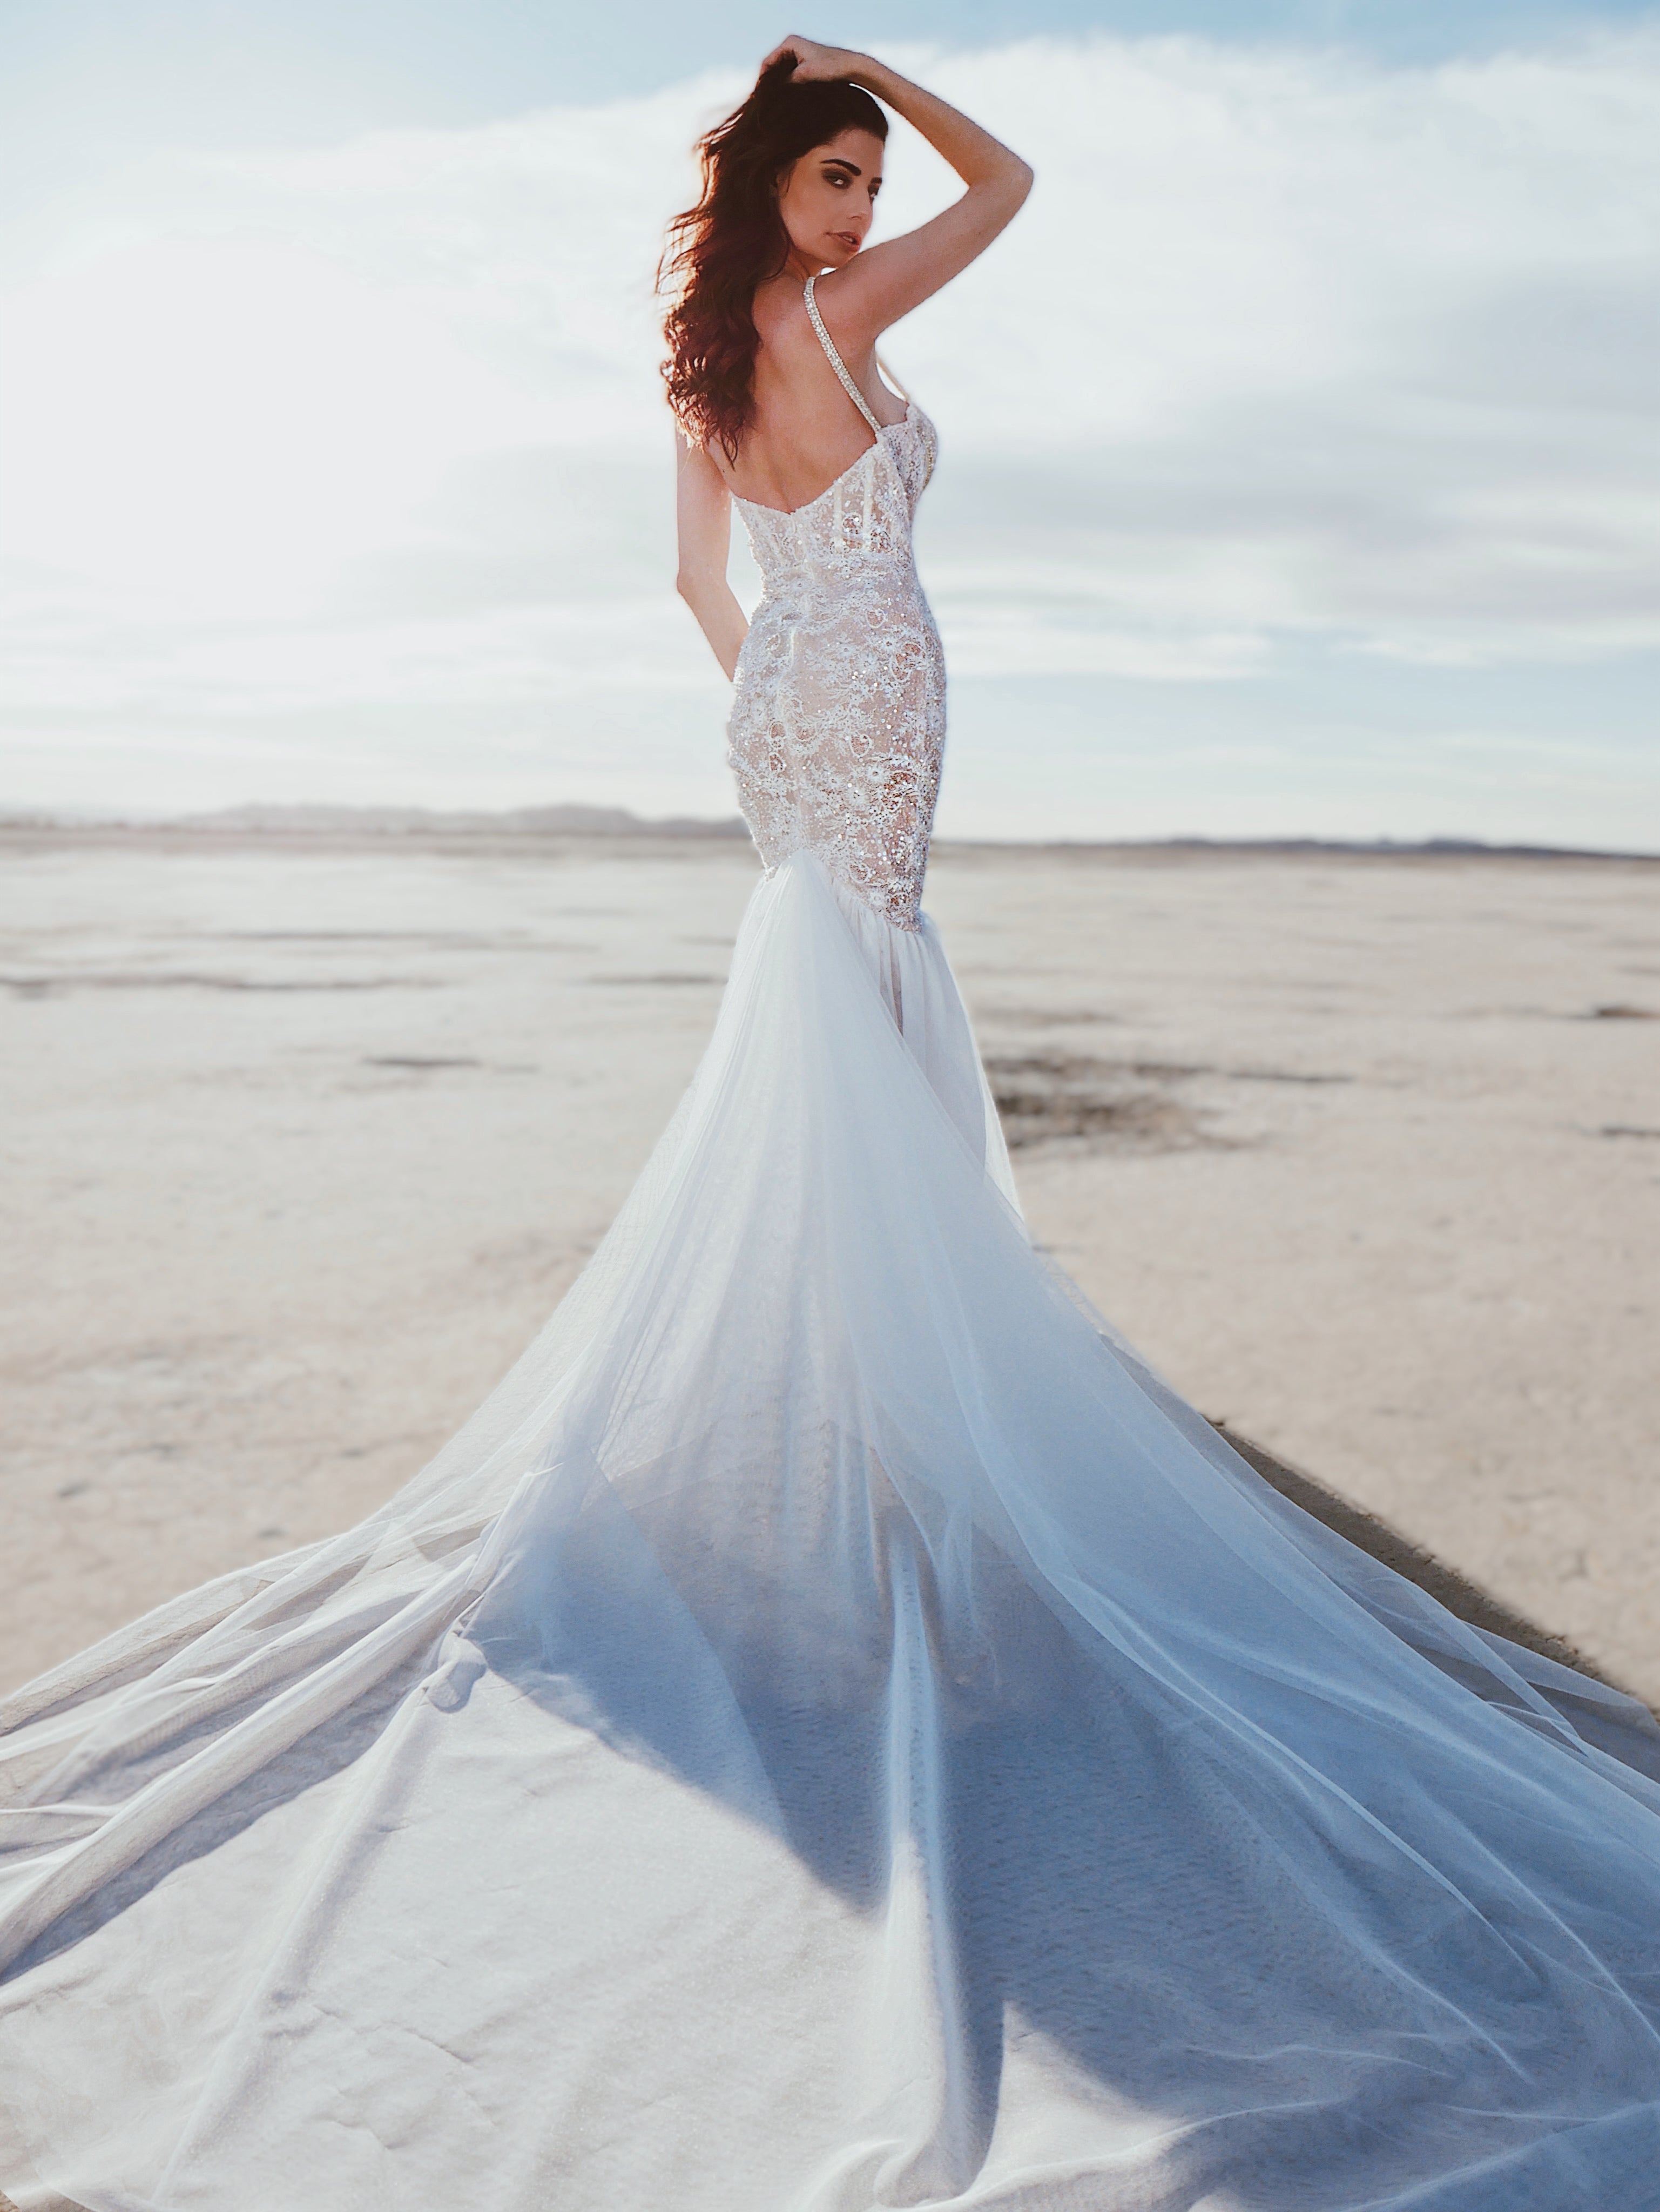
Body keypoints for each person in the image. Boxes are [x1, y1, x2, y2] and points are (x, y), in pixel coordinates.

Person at [3, 39, 1660, 2211]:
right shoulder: (828, 319)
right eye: (840, 175)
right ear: (781, 188)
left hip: (793, 679)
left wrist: (780, 690)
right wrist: (896, 76)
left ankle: (839, 1421)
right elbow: (1028, 185)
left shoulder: (714, 355)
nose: (869, 209)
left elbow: (699, 591)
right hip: (859, 666)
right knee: (866, 1000)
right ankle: (888, 1441)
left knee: (825, 1004)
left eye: (872, 182)